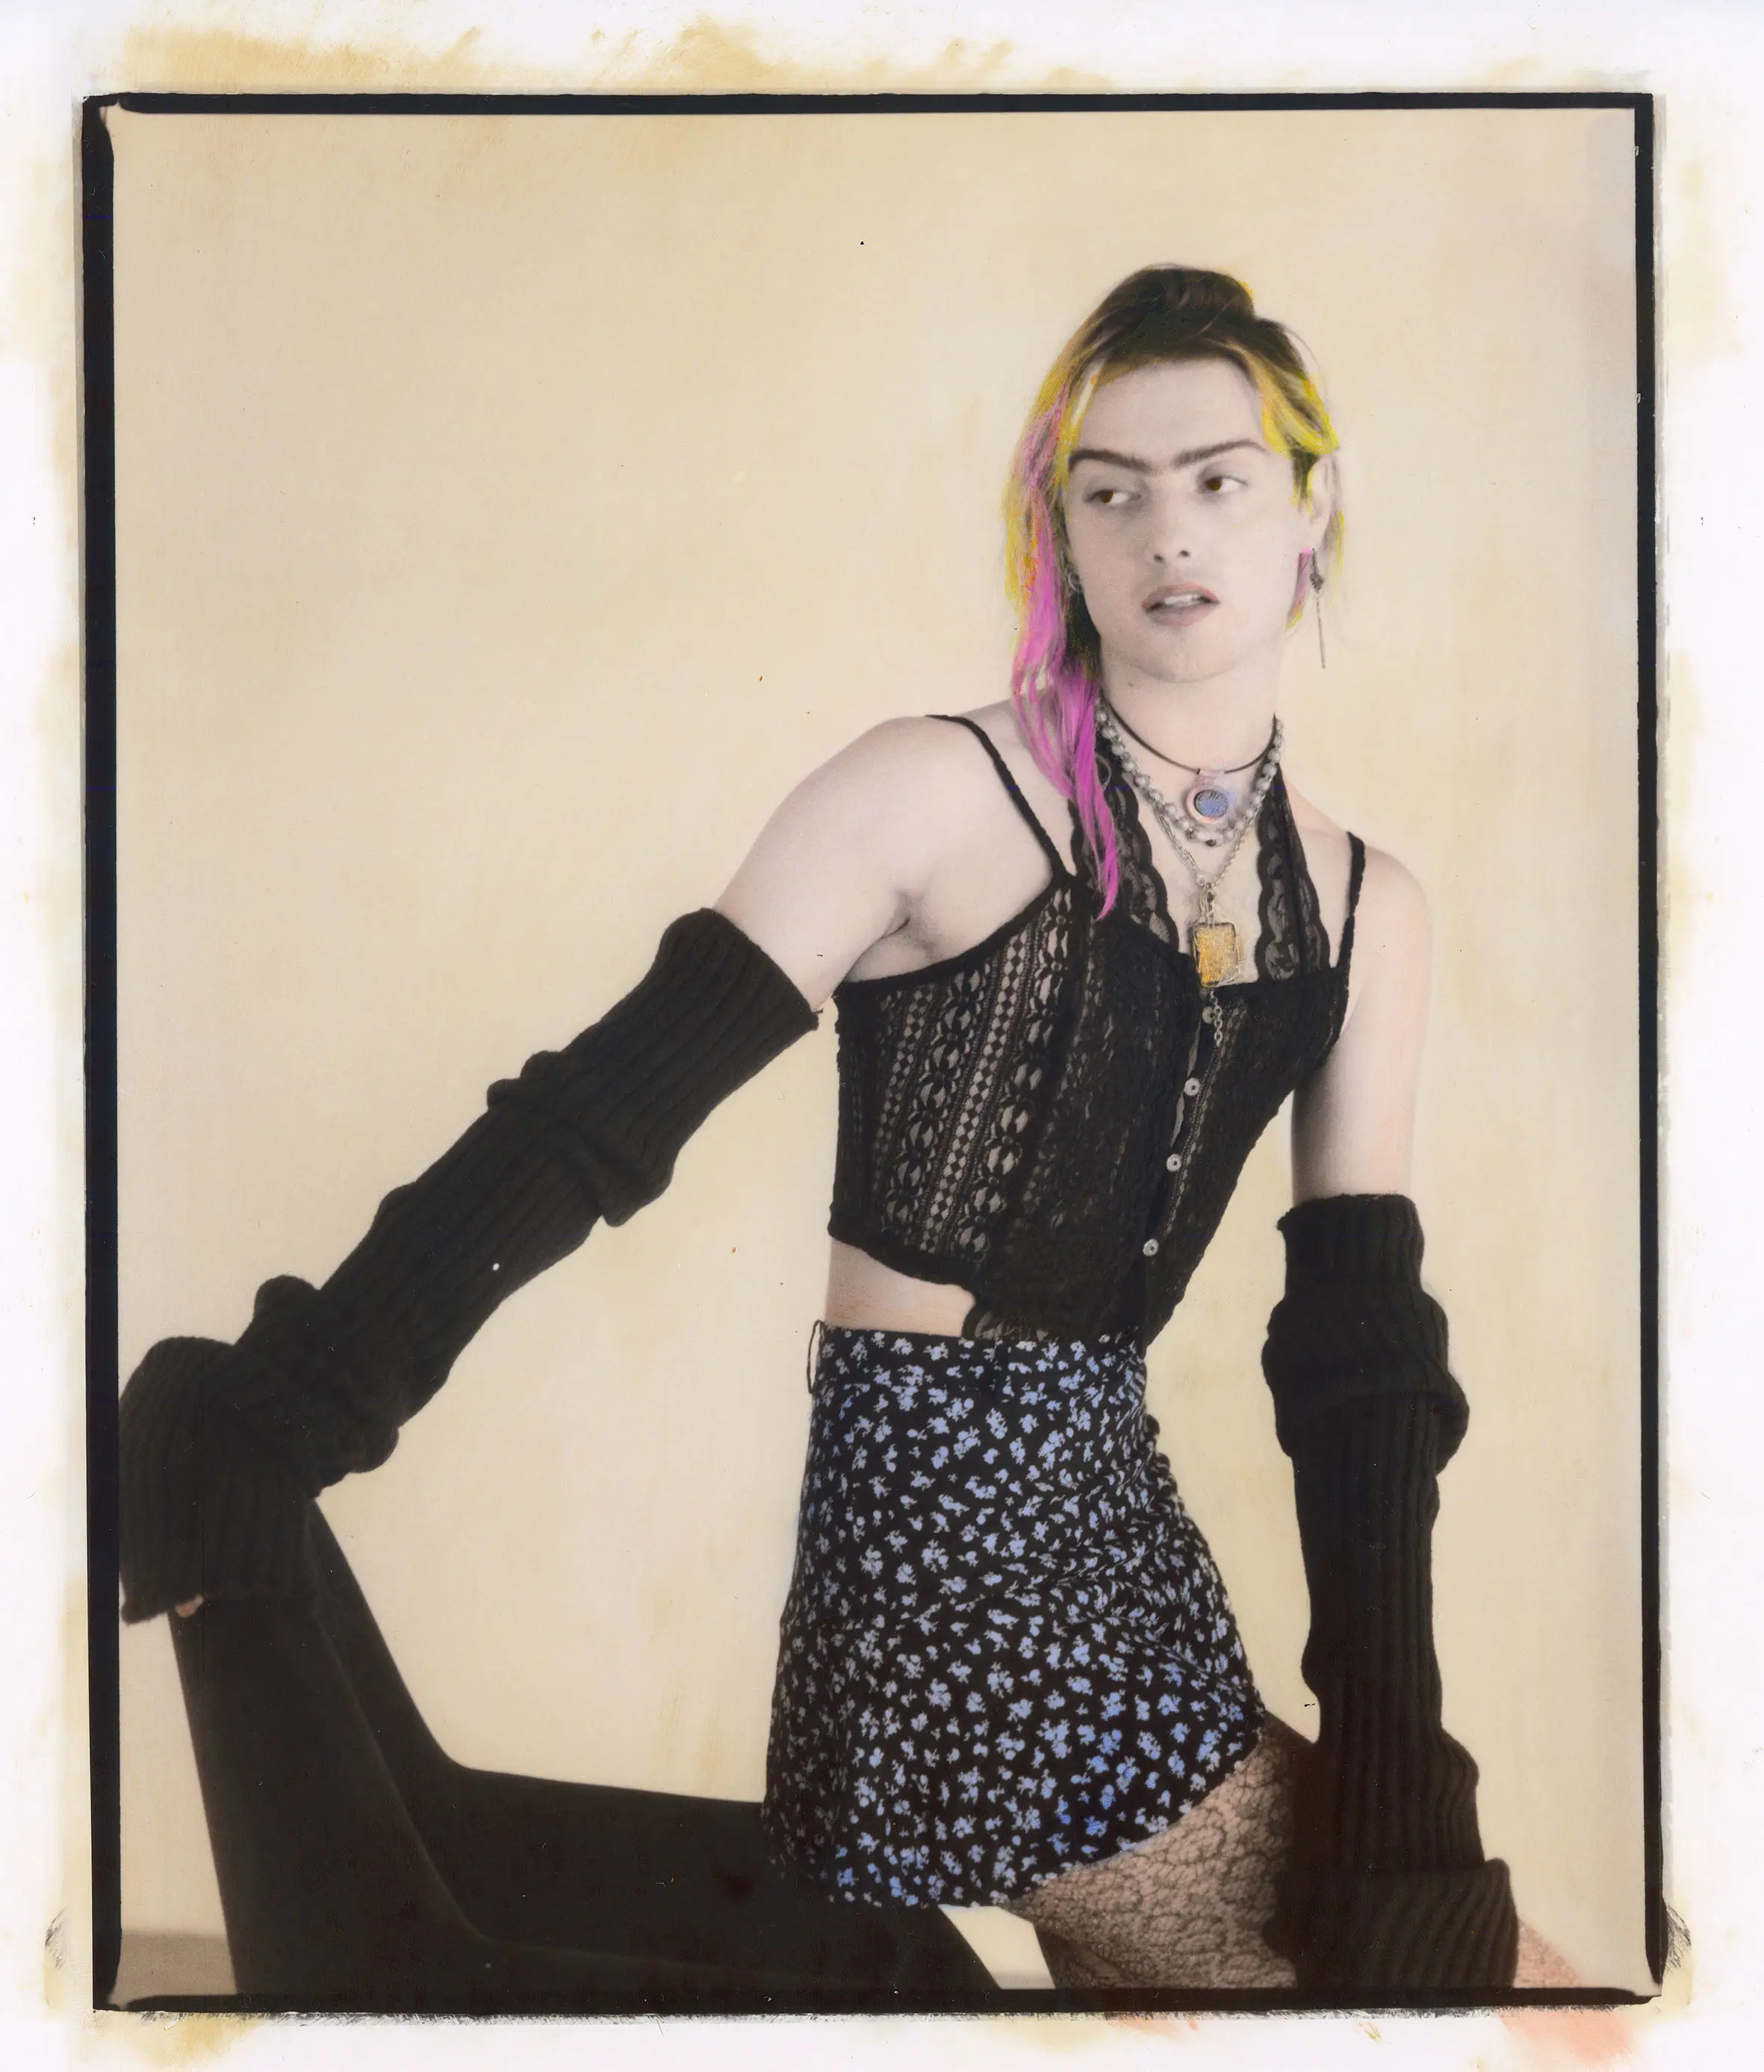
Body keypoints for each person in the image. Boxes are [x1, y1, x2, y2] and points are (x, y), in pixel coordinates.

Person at [118, 266, 1562, 2004]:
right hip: (940, 1618)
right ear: (1061, 535)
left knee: (1418, 1972)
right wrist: (289, 1406)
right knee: (1519, 2021)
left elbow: (1360, 1373)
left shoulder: (1362, 908)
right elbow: (600, 1113)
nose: (1167, 531)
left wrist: (1399, 1788)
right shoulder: (929, 793)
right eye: (1110, 491)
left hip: (1136, 1609)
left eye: (1216, 480)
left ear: (1309, 513)